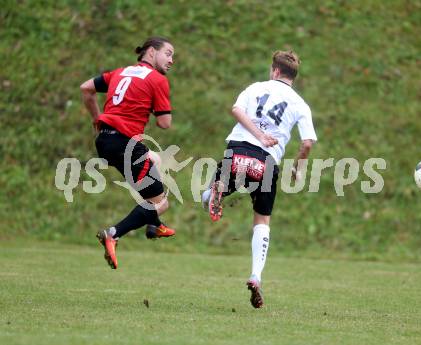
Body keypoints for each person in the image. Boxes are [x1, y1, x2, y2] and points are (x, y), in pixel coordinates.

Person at [202, 50, 317, 308]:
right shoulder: (300, 104)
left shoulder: (255, 87)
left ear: (274, 70)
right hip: (266, 163)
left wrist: (256, 133)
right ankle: (256, 275)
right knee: (262, 220)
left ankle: (215, 192)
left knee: (208, 194)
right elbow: (307, 143)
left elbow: (236, 109)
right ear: (292, 76)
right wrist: (297, 168)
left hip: (238, 151)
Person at [80, 36, 176, 269]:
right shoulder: (157, 80)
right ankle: (113, 233)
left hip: (105, 140)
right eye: (169, 53)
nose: (172, 60)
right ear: (151, 52)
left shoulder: (120, 73)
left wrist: (96, 119)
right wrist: (154, 101)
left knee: (154, 159)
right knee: (161, 202)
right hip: (126, 144)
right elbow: (164, 123)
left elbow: (86, 89)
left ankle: (154, 225)